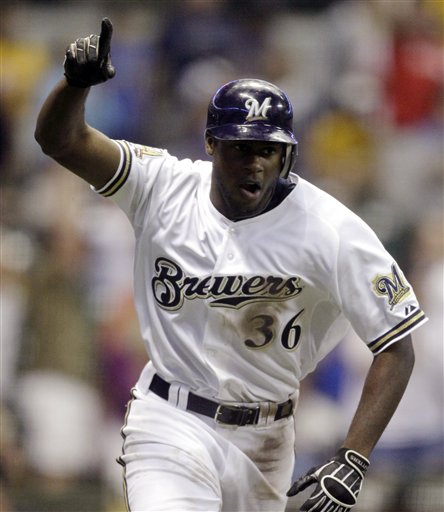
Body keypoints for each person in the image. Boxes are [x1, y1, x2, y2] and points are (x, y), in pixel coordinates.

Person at [34, 18, 428, 512]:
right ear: (211, 145)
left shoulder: (332, 228)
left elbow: (396, 344)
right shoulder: (161, 184)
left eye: (270, 150)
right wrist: (74, 84)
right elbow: (61, 142)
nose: (256, 163)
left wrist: (354, 456)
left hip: (267, 440)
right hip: (170, 420)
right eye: (242, 147)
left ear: (288, 154)